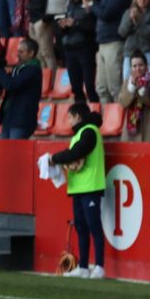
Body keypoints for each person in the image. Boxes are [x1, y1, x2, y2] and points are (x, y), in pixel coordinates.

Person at [50, 103, 106, 279]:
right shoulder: (80, 133)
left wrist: (54, 158)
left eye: (70, 117)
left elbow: (77, 152)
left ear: (78, 116)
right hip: (78, 188)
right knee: (81, 228)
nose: (69, 121)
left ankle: (99, 266)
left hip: (91, 186)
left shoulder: (89, 131)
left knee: (94, 226)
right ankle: (83, 266)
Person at [84, 0, 134, 103]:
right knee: (102, 88)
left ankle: (119, 121)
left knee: (115, 87)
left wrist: (91, 2)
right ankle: (106, 121)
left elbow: (106, 14)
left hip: (113, 43)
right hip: (103, 44)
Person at [59, 0, 99, 103]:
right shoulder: (70, 5)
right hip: (69, 48)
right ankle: (80, 112)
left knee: (89, 85)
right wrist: (63, 26)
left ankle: (95, 111)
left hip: (85, 47)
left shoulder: (89, 2)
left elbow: (93, 25)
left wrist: (75, 23)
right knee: (76, 86)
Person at [0, 38, 42, 140]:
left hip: (21, 120)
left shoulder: (33, 70)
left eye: (21, 51)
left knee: (15, 153)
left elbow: (11, 84)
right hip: (9, 117)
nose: (17, 54)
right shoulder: (19, 69)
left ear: (31, 53)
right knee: (4, 152)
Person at [119, 0, 150, 78]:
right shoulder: (128, 12)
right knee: (127, 80)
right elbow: (122, 32)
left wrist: (139, 22)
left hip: (148, 50)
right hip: (130, 52)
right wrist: (130, 20)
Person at [119, 52, 150, 142]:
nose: (138, 69)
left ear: (146, 65)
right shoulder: (127, 82)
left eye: (141, 65)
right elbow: (123, 103)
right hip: (131, 130)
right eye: (134, 66)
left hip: (149, 125)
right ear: (131, 68)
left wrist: (141, 90)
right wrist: (132, 87)